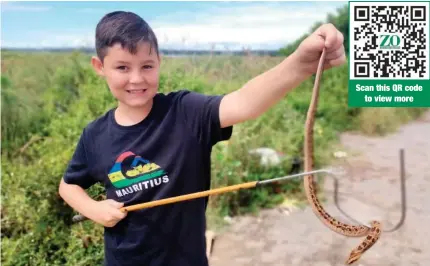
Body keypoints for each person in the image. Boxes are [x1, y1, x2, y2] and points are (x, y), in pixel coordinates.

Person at [58, 10, 346, 266]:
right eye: (122, 67)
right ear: (100, 67)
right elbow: (68, 186)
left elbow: (244, 103)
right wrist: (93, 209)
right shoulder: (95, 135)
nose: (136, 79)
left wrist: (302, 63)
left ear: (159, 61)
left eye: (147, 66)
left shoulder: (185, 112)